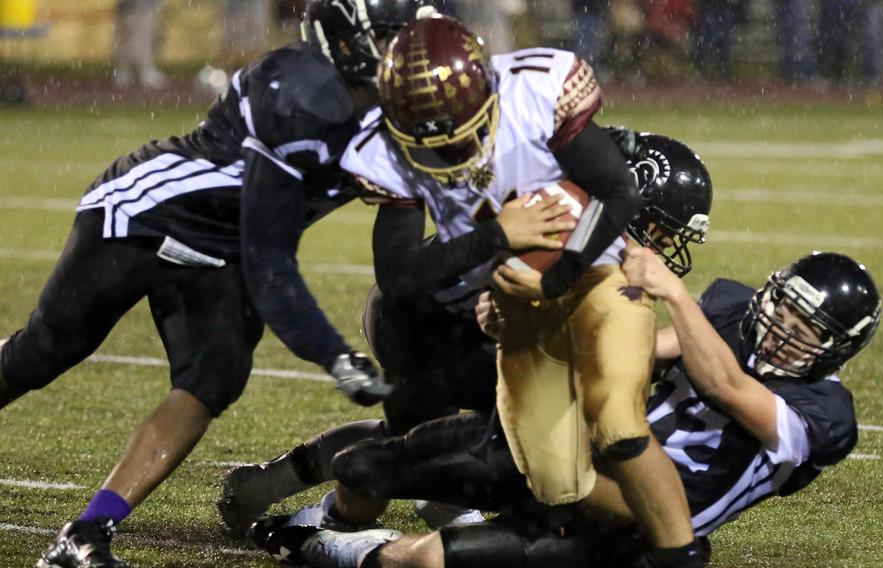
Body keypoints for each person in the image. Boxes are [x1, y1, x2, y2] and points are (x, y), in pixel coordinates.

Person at [10, 2, 435, 567]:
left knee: (213, 378)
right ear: (345, 40)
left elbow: (397, 259)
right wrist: (331, 354)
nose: (405, 53)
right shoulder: (297, 91)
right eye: (389, 38)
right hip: (144, 216)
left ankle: (86, 533)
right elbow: (268, 259)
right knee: (45, 351)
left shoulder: (397, 109)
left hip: (221, 250)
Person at [221, 128, 714, 568]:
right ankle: (321, 523)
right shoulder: (568, 229)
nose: (665, 244)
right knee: (449, 449)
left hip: (449, 324)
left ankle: (275, 485)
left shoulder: (578, 210)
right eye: (662, 229)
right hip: (423, 324)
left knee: (451, 441)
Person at [253, 250, 881, 568]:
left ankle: (320, 545)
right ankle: (318, 525)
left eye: (807, 328)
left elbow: (725, 388)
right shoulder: (730, 319)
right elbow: (642, 350)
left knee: (427, 560)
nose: (781, 331)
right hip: (585, 461)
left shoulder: (825, 415)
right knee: (371, 468)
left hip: (641, 523)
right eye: (785, 310)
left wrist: (672, 292)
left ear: (838, 350)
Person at [112, 0, 168, 89]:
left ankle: (128, 70)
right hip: (140, 6)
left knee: (131, 29)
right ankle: (143, 70)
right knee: (135, 28)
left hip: (140, 6)